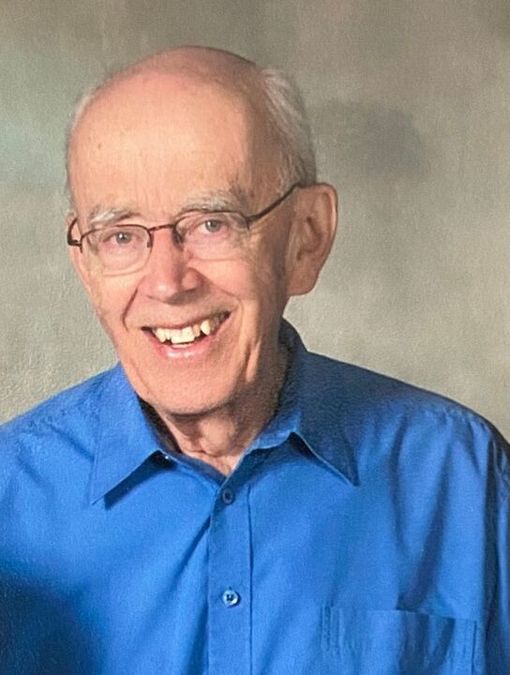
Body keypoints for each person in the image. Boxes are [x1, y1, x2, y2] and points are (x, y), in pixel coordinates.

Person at [0, 46, 508, 675]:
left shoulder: (464, 480)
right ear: (85, 265)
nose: (168, 282)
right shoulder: (10, 503)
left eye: (212, 224)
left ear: (307, 237)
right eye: (121, 236)